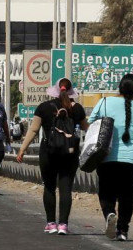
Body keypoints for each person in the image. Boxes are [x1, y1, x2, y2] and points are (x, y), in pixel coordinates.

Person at [88, 74, 133, 242]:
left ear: (119, 87)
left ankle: (109, 213)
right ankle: (122, 230)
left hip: (107, 156)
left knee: (107, 191)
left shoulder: (104, 102)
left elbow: (91, 125)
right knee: (127, 195)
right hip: (132, 160)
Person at [16, 78, 89, 235]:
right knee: (66, 188)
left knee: (49, 187)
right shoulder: (77, 109)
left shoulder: (44, 107)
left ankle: (51, 223)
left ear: (56, 90)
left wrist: (22, 149)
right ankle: (63, 224)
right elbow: (86, 129)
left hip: (48, 152)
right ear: (70, 92)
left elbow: (33, 130)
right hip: (70, 153)